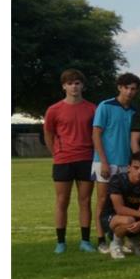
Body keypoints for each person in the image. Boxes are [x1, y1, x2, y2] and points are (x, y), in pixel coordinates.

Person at [43, 68, 97, 253]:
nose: (74, 87)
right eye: (70, 83)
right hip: (63, 160)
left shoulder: (92, 108)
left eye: (77, 83)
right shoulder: (54, 110)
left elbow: (97, 134)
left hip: (86, 159)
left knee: (85, 201)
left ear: (82, 86)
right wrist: (56, 153)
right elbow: (48, 133)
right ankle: (60, 242)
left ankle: (85, 241)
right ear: (63, 86)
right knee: (62, 201)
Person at [91, 72, 140, 251]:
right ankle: (100, 240)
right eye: (126, 88)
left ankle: (120, 238)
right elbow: (96, 134)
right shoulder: (105, 106)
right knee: (103, 200)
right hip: (106, 161)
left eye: (133, 89)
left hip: (126, 163)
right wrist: (104, 162)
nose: (129, 92)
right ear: (119, 87)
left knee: (122, 203)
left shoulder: (135, 111)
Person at [102, 154, 140, 260]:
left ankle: (134, 241)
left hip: (136, 218)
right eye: (136, 167)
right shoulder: (117, 180)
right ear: (129, 167)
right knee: (129, 220)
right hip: (112, 217)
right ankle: (116, 244)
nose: (139, 171)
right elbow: (119, 209)